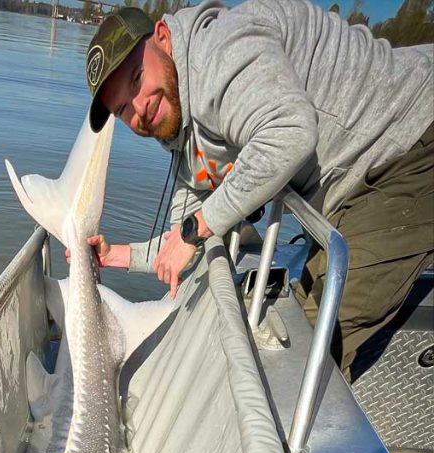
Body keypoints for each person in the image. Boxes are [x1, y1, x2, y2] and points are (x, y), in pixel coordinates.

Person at [83, 1, 434, 376]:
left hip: (406, 144)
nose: (139, 108)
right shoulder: (180, 117)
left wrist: (196, 229)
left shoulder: (219, 53)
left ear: (164, 39)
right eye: (123, 109)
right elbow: (183, 234)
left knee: (302, 355)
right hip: (349, 180)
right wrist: (119, 255)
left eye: (137, 79)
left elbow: (289, 133)